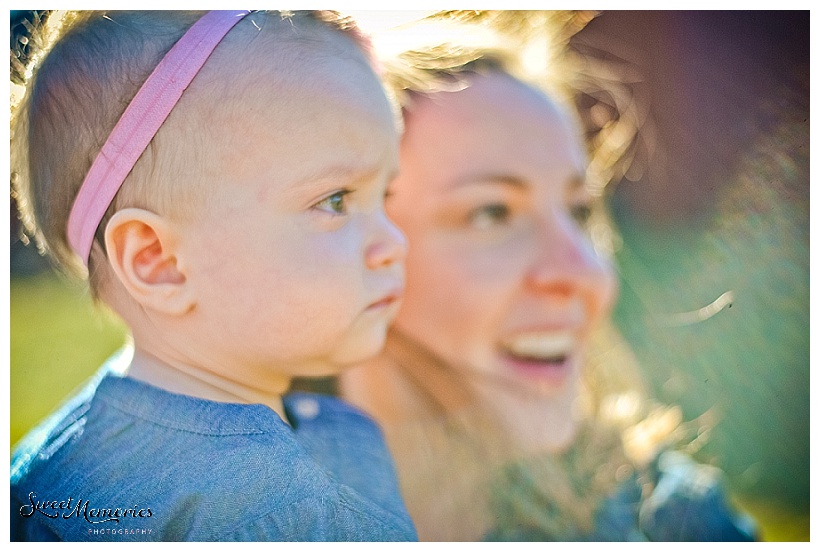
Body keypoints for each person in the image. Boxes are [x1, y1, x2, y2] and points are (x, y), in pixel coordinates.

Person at [340, 14, 757, 541]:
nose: (584, 273)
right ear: (352, 249)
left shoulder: (671, 524)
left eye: (579, 211)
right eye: (492, 212)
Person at [10, 10, 416, 541]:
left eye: (385, 197)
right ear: (158, 261)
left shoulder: (51, 468)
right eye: (335, 200)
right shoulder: (283, 513)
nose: (395, 244)